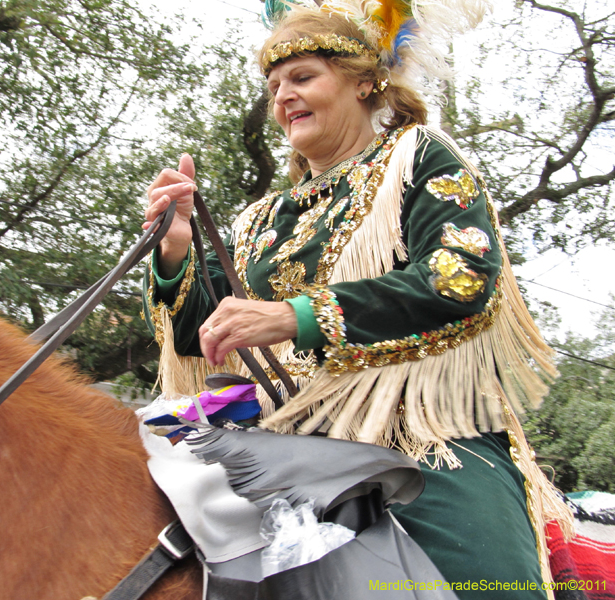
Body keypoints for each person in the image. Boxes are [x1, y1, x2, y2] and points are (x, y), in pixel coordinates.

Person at [141, 1, 573, 596]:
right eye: (274, 87)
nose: (283, 97)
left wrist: (295, 316)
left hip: (416, 435)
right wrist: (174, 251)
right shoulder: (256, 220)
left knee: (487, 581)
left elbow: (460, 280)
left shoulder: (417, 155)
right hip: (274, 436)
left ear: (365, 82)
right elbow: (200, 334)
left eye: (302, 77)